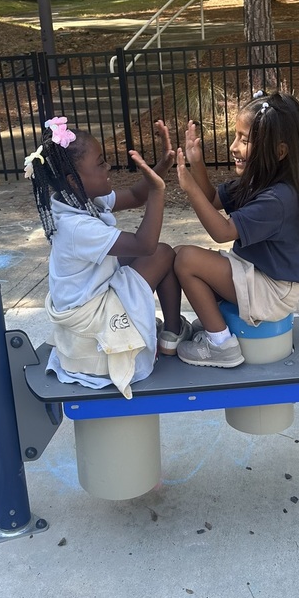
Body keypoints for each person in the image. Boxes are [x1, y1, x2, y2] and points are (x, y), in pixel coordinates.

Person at [25, 116, 191, 397]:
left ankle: (169, 334)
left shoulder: (75, 199)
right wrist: (159, 191)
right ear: (73, 179)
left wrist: (162, 165)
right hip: (92, 314)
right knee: (162, 253)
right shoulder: (77, 228)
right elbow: (145, 244)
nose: (108, 167)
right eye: (100, 163)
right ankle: (172, 334)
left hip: (85, 297)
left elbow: (136, 196)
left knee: (126, 257)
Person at [173, 92, 299, 368]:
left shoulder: (278, 199)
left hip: (273, 290)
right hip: (257, 273)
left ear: (279, 151)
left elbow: (222, 231)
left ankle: (220, 345)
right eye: (236, 137)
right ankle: (212, 325)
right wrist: (197, 163)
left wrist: (189, 188)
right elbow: (213, 200)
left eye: (245, 140)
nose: (234, 147)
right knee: (182, 254)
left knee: (186, 260)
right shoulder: (259, 180)